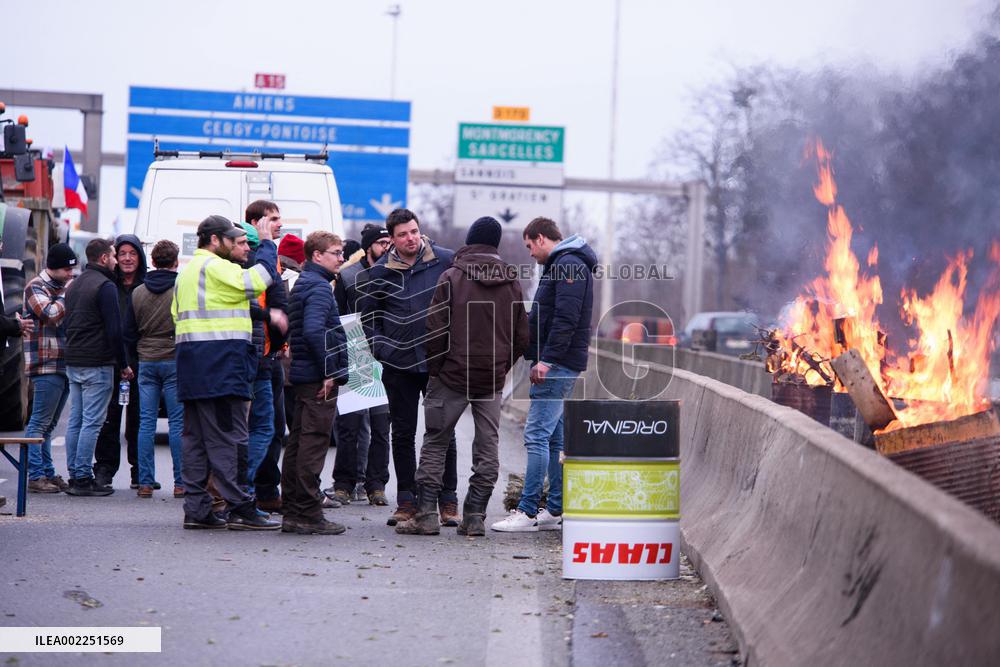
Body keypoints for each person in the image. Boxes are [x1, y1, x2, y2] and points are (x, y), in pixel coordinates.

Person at [398, 217, 528, 536]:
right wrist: (500, 365)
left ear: (470, 240)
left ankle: (426, 514)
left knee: (435, 443)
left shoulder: (452, 276)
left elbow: (435, 329)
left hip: (450, 376)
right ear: (495, 244)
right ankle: (474, 517)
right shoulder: (511, 281)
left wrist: (438, 369)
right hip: (491, 380)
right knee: (487, 447)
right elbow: (522, 336)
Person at [173, 215, 282, 530]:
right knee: (231, 440)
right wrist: (268, 245)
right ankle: (240, 507)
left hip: (193, 368)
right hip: (220, 367)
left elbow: (177, 316)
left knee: (195, 442)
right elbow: (258, 281)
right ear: (215, 240)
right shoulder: (215, 267)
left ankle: (197, 509)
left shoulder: (188, 271)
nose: (244, 248)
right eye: (238, 242)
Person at [491, 217, 597, 533]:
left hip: (557, 364)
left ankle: (527, 512)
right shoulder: (567, 263)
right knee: (553, 438)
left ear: (540, 239)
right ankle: (554, 510)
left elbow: (567, 317)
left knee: (536, 435)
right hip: (561, 362)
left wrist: (547, 360)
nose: (530, 254)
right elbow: (550, 314)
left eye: (529, 247)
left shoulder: (567, 264)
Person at [360, 208, 459, 527]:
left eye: (414, 231)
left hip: (438, 362)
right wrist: (382, 348)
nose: (411, 238)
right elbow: (368, 319)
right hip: (398, 364)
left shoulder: (445, 260)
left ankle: (447, 500)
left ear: (421, 230)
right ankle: (406, 500)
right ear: (392, 239)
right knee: (402, 433)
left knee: (443, 432)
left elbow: (462, 304)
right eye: (403, 234)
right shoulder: (380, 273)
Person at [282, 231, 349, 535]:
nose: (341, 258)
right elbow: (312, 332)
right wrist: (328, 371)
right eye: (336, 252)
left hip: (303, 376)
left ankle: (294, 511)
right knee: (312, 445)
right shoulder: (320, 288)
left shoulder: (305, 284)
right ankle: (308, 514)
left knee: (298, 444)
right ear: (317, 255)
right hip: (316, 379)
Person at [329, 224, 392, 507]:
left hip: (389, 355)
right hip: (356, 349)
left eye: (389, 242)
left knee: (381, 426)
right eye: (382, 243)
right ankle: (343, 484)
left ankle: (376, 485)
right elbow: (337, 318)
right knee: (349, 426)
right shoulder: (348, 276)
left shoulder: (398, 274)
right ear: (369, 247)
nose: (387, 247)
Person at [63, 238, 130, 496]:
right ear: (103, 258)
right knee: (92, 422)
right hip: (97, 362)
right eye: (113, 255)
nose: (116, 260)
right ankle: (82, 477)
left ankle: (74, 473)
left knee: (76, 421)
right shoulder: (105, 286)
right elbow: (115, 330)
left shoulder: (75, 284)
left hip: (74, 359)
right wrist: (123, 364)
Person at [125, 240, 184, 498]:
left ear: (152, 261)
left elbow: (128, 331)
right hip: (174, 359)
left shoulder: (138, 292)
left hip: (146, 361)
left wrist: (131, 361)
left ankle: (145, 482)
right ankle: (181, 482)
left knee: (145, 423)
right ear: (176, 262)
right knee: (178, 424)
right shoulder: (181, 289)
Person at [94, 235, 147, 489]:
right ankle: (104, 469)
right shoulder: (107, 285)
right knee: (108, 420)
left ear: (140, 257)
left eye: (132, 253)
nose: (127, 258)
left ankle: (140, 472)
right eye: (122, 253)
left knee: (138, 420)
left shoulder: (147, 286)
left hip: (140, 364)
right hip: (111, 363)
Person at [22, 243, 76, 493]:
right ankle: (35, 476)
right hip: (46, 365)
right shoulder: (35, 287)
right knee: (38, 424)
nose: (71, 275)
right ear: (53, 268)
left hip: (63, 363)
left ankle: (47, 472)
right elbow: (51, 313)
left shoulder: (59, 286)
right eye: (67, 270)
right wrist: (68, 294)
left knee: (50, 426)